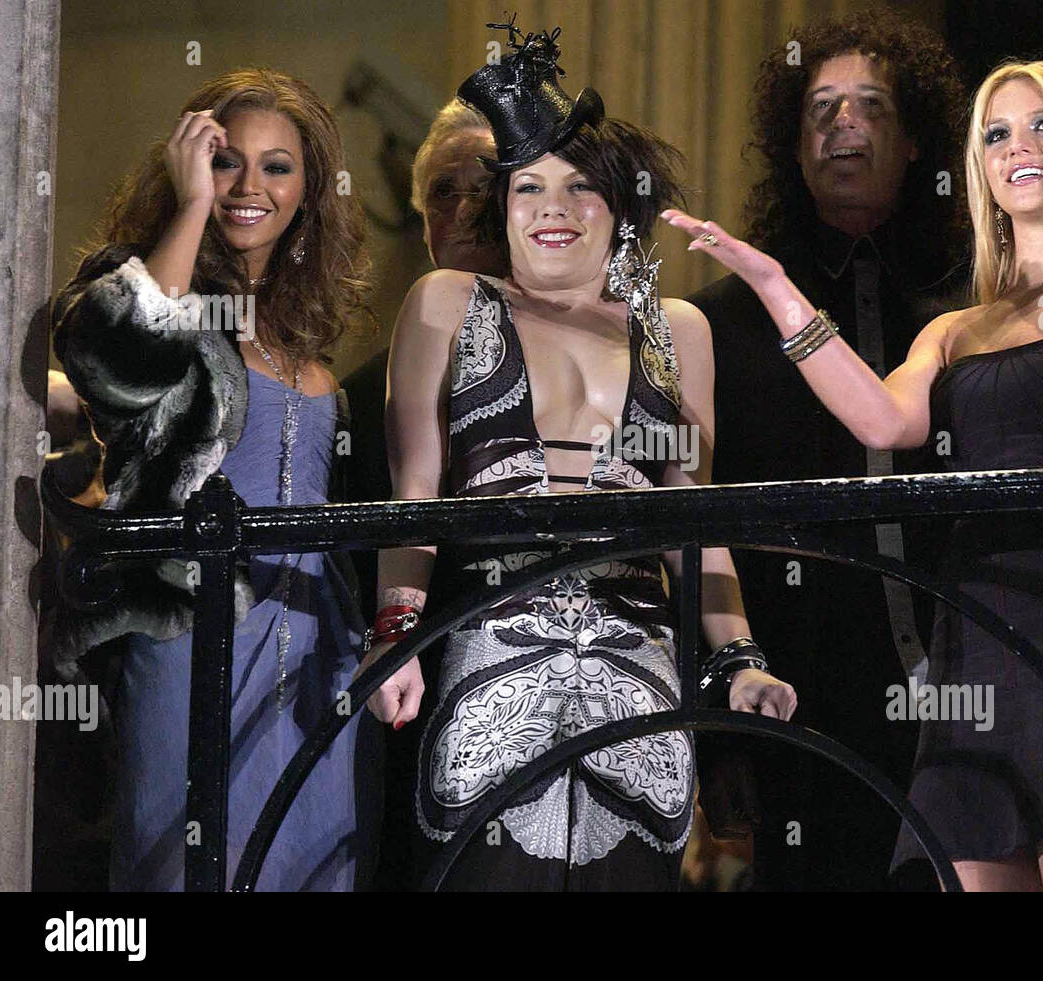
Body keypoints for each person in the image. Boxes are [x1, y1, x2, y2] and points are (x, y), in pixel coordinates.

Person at [666, 59, 1043, 891]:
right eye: (996, 133)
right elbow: (880, 418)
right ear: (979, 168)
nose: (1019, 145)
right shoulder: (955, 326)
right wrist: (774, 285)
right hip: (973, 638)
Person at [359, 21, 797, 890]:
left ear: (623, 206)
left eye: (578, 188)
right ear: (502, 205)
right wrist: (396, 633)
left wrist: (739, 657)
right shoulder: (447, 301)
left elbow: (694, 520)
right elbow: (415, 493)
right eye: (529, 188)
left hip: (638, 667)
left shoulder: (680, 332)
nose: (551, 209)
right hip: (492, 653)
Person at [51, 68, 382, 891]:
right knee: (185, 864)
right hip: (189, 638)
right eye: (227, 160)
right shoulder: (154, 283)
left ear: (308, 190)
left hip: (314, 652)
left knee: (309, 861)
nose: (249, 186)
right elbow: (113, 353)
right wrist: (190, 206)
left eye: (278, 166)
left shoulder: (305, 339)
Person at [685, 6, 968, 890]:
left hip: (968, 686)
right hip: (801, 705)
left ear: (916, 137)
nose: (843, 123)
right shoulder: (727, 322)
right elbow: (700, 518)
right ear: (791, 143)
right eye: (820, 107)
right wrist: (721, 728)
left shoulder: (972, 300)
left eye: (871, 105)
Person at [341, 99, 507, 890]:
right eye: (444, 190)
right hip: (410, 703)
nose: (467, 207)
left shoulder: (606, 363)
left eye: (489, 183)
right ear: (420, 215)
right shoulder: (359, 396)